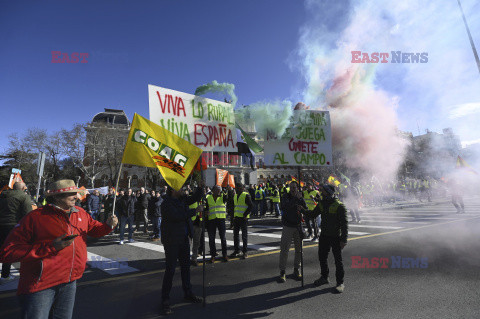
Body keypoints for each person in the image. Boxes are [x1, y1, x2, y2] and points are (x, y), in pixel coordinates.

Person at [0, 179, 118, 318]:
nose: (76, 196)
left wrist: (109, 226)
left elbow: (95, 229)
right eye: (71, 194)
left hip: (70, 281)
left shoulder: (80, 213)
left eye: (76, 193)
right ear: (56, 197)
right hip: (41, 285)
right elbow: (8, 252)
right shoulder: (35, 217)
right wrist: (50, 247)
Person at [160, 184, 204, 315]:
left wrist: (200, 188)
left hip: (184, 239)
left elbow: (194, 198)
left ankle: (188, 292)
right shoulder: (166, 203)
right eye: (180, 188)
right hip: (172, 241)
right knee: (171, 270)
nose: (183, 191)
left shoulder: (182, 199)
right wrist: (194, 211)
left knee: (186, 268)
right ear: (173, 190)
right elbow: (177, 216)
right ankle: (165, 300)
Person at [305, 184, 348, 293]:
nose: (320, 192)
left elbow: (344, 224)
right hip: (324, 236)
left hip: (336, 237)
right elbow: (313, 214)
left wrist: (344, 240)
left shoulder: (339, 205)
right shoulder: (322, 204)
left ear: (328, 192)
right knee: (322, 257)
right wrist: (302, 210)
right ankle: (324, 277)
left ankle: (340, 283)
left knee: (338, 261)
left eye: (323, 191)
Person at [0, 182, 32, 284]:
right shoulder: (24, 197)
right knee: (9, 249)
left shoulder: (2, 195)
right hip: (13, 225)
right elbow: (28, 214)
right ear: (23, 188)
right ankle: (5, 275)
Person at [278, 181, 307, 283]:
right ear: (289, 188)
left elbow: (305, 208)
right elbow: (285, 207)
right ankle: (282, 271)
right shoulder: (286, 196)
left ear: (297, 187)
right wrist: (295, 199)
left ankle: (296, 269)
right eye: (292, 187)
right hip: (288, 226)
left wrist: (301, 200)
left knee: (299, 250)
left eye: (295, 187)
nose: (293, 189)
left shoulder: (299, 196)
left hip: (298, 226)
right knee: (285, 249)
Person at [229, 183, 253, 259]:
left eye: (239, 188)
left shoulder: (246, 195)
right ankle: (237, 250)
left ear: (243, 188)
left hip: (243, 218)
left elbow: (251, 206)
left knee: (244, 236)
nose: (238, 189)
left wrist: (245, 215)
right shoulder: (235, 196)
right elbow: (235, 207)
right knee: (235, 235)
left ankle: (245, 252)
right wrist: (233, 217)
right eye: (237, 188)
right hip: (236, 218)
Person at [205, 185, 229, 262]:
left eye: (219, 190)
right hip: (211, 220)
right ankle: (213, 255)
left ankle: (225, 255)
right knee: (211, 238)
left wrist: (223, 191)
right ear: (213, 191)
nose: (218, 191)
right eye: (217, 190)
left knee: (223, 238)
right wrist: (206, 211)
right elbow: (206, 208)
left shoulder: (222, 196)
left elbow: (228, 197)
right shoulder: (208, 198)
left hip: (221, 219)